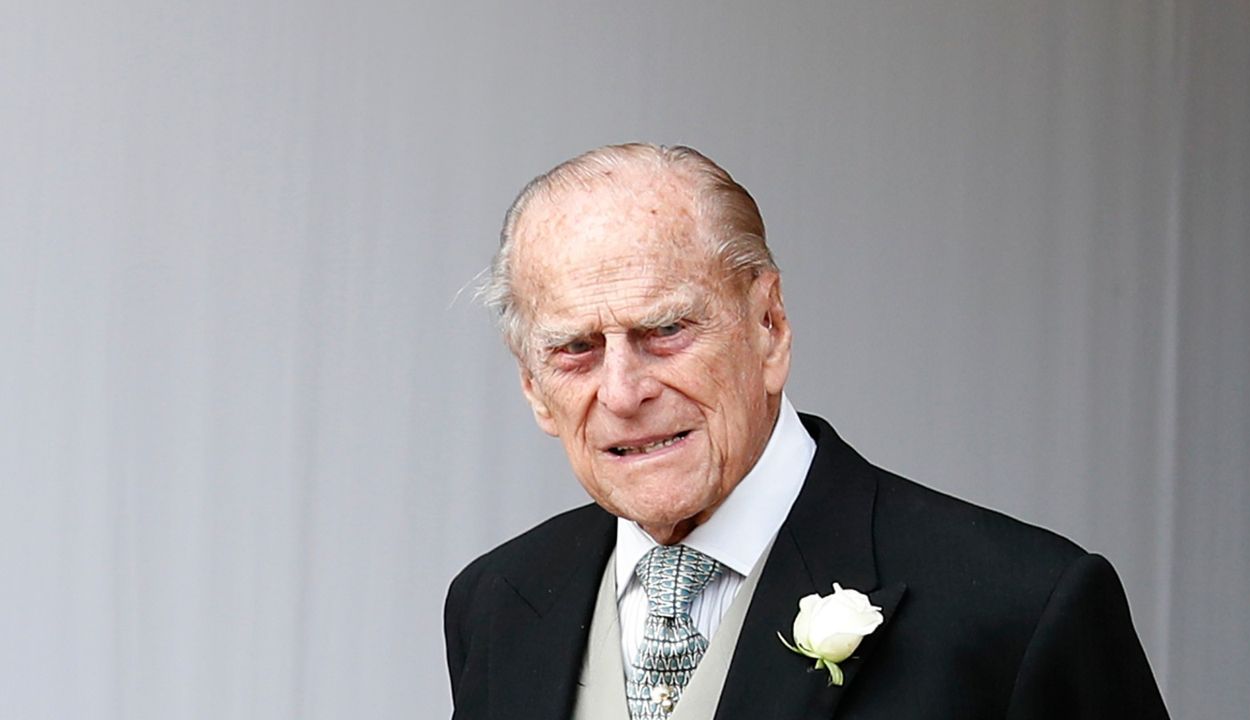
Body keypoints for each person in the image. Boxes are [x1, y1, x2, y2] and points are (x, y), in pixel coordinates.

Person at [445, 143, 1168, 719]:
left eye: (665, 330)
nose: (624, 392)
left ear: (770, 326)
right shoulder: (496, 602)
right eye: (576, 349)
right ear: (533, 386)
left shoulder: (1021, 607)